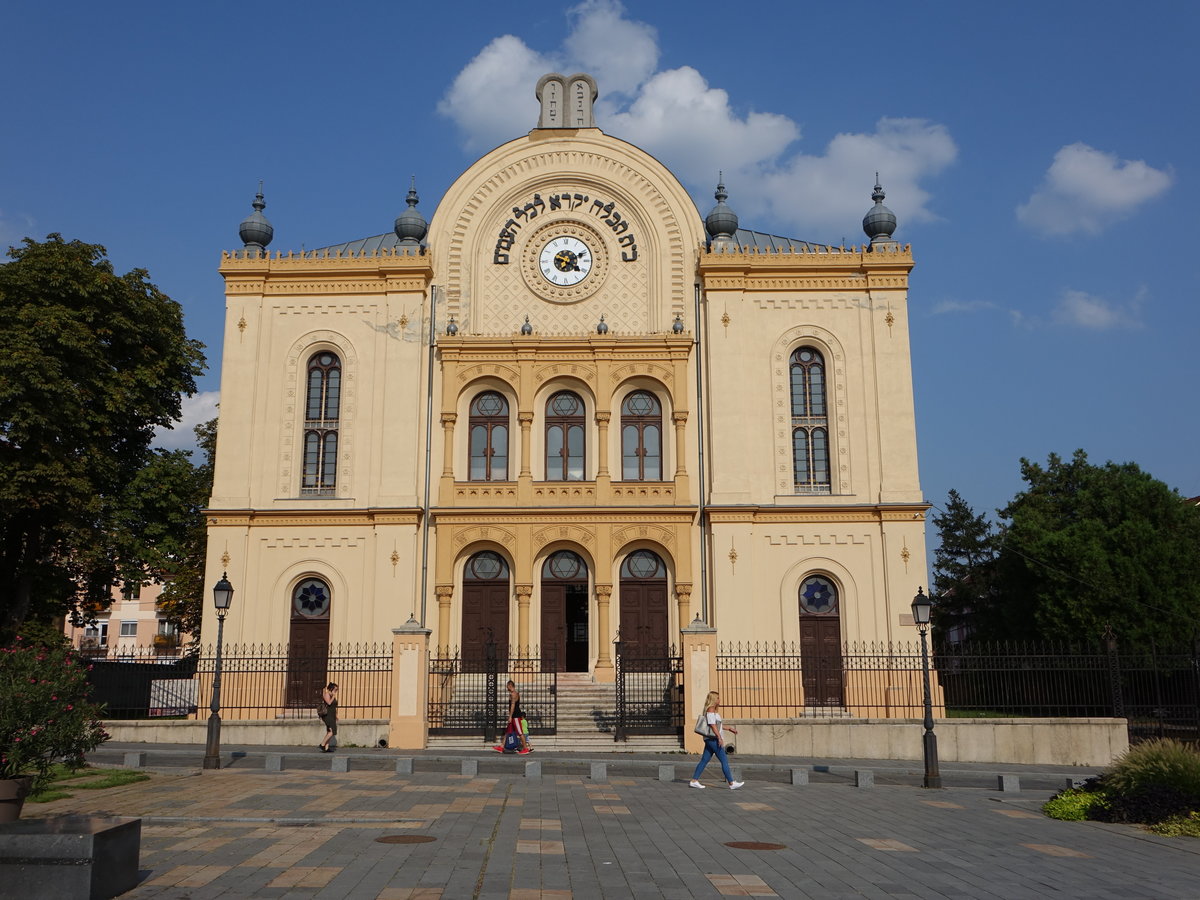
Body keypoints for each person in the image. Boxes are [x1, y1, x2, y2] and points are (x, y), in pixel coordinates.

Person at [690, 690, 742, 789]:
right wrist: (719, 738)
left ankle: (694, 780)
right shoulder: (710, 710)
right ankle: (731, 783)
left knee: (704, 760)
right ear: (714, 699)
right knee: (724, 760)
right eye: (718, 698)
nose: (719, 700)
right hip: (713, 739)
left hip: (710, 739)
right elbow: (712, 726)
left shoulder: (713, 711)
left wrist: (730, 728)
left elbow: (718, 726)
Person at [506, 679, 532, 753]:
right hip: (514, 715)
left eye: (507, 686)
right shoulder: (516, 693)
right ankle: (501, 746)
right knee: (508, 731)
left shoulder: (513, 694)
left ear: (510, 686)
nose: (507, 688)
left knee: (520, 732)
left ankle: (525, 748)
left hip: (516, 715)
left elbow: (513, 706)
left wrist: (510, 716)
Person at [318, 682, 339, 752]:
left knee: (329, 731)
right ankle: (322, 745)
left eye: (337, 689)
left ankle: (326, 748)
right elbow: (329, 703)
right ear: (331, 688)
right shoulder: (326, 694)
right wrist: (333, 696)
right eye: (335, 689)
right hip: (327, 715)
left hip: (332, 715)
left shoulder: (332, 695)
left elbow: (334, 707)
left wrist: (336, 716)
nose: (336, 690)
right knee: (332, 731)